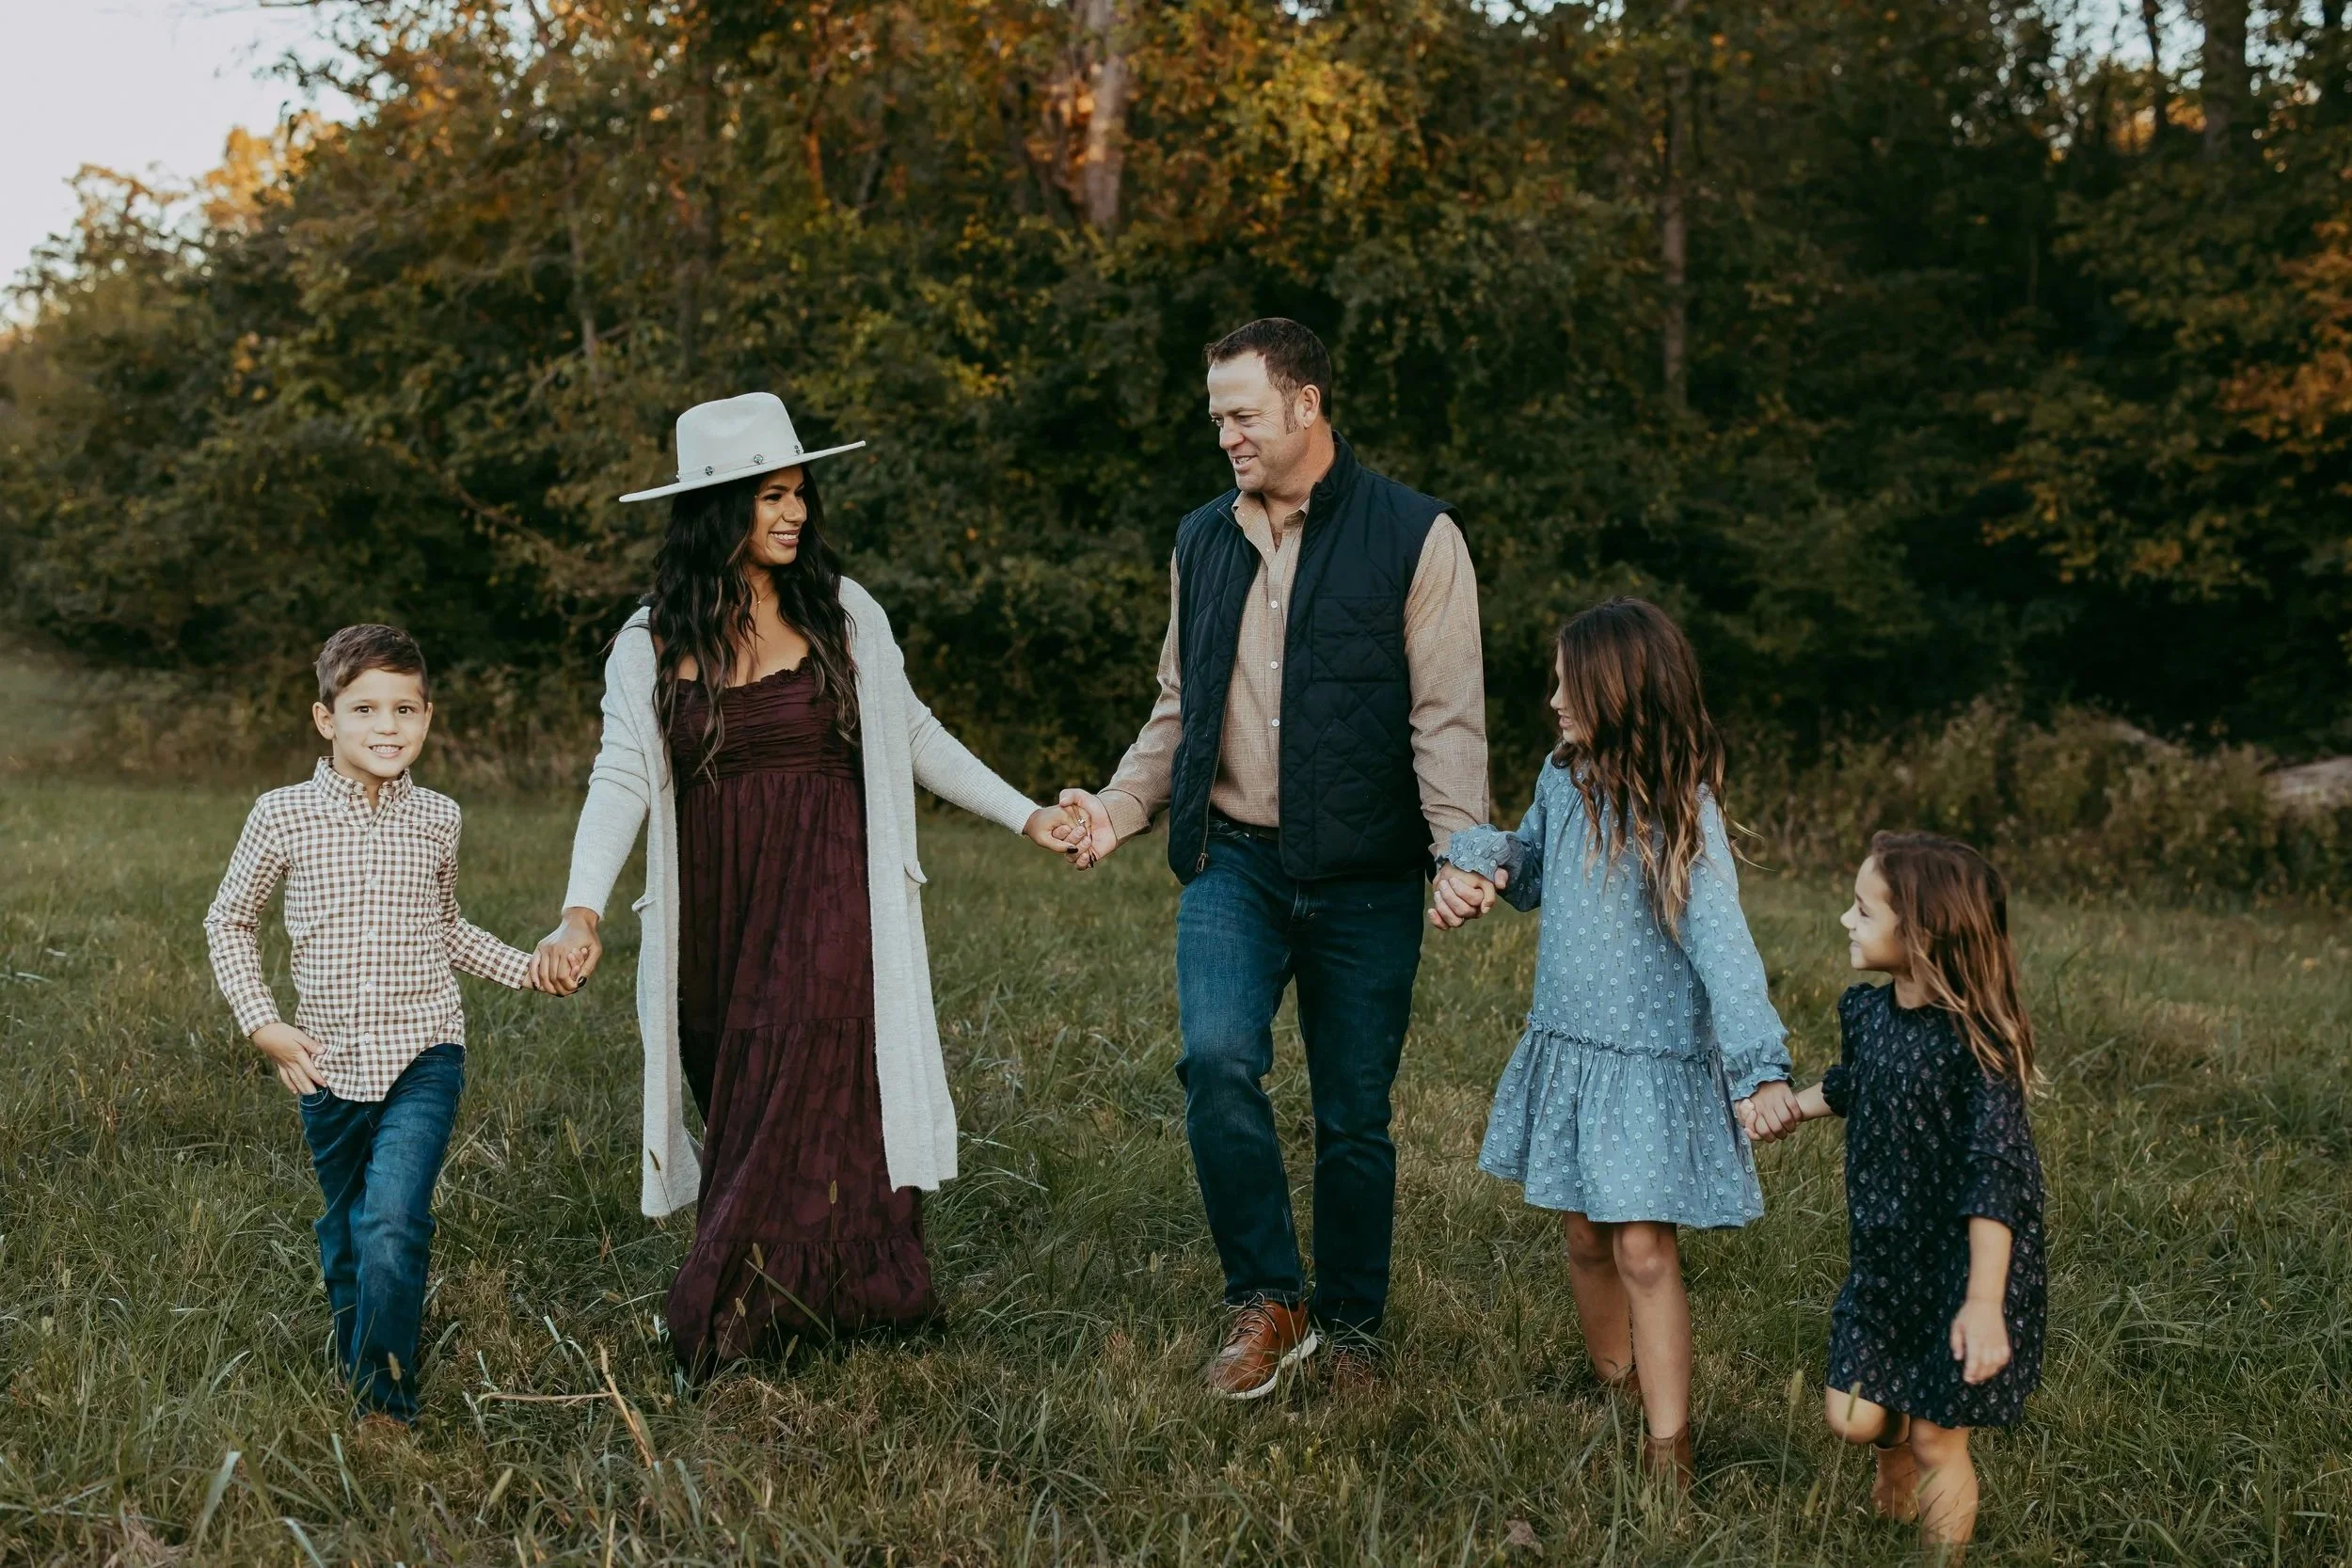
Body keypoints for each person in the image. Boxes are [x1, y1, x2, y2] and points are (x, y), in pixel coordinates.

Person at [531, 392, 1089, 1374]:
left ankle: (732, 1310)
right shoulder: (649, 640)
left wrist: (1026, 813)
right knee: (744, 1093)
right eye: (770, 496)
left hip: (832, 885)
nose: (793, 512)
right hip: (716, 908)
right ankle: (830, 1300)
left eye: (798, 492)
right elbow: (620, 776)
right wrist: (582, 910)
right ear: (718, 509)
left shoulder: (843, 612)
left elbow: (914, 732)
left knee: (804, 1070)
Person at [1059, 318, 1490, 1398]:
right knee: (1215, 1061)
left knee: (1354, 1114)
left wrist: (1460, 850)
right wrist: (1116, 806)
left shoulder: (1417, 535)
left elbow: (1446, 717)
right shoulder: (1201, 539)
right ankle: (1266, 1296)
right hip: (1234, 864)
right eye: (1217, 418)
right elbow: (1178, 706)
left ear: (1306, 404)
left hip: (1367, 877)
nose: (1227, 437)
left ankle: (1351, 1332)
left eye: (1243, 414)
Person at [1432, 597, 1801, 1487]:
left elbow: (1723, 942)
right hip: (1574, 1052)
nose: (1554, 698)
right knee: (1585, 1237)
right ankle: (1617, 1386)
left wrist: (1758, 1068)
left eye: (1569, 684)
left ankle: (1668, 1445)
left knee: (1641, 1247)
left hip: (1645, 1066)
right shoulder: (1562, 778)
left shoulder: (1679, 810)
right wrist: (1487, 863)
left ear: (1621, 691)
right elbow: (1530, 866)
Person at [203, 624, 556, 1429]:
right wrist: (263, 1024)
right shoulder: (281, 814)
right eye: (365, 709)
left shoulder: (438, 817)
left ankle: (383, 1407)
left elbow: (447, 928)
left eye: (405, 708)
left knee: (393, 1219)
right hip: (324, 1061)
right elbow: (229, 920)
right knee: (349, 1225)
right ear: (326, 718)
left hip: (425, 1048)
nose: (387, 726)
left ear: (428, 716)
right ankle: (355, 1348)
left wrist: (529, 968)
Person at [1754, 832, 2046, 1557]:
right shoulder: (1870, 1013)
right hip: (1886, 1254)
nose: (1845, 920)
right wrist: (1788, 1109)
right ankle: (1892, 1455)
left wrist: (1984, 1301)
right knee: (1852, 1415)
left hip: (1963, 1269)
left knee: (1937, 1438)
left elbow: (1998, 1178)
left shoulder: (1978, 1047)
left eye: (1863, 910)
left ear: (1921, 934)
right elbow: (1859, 1083)